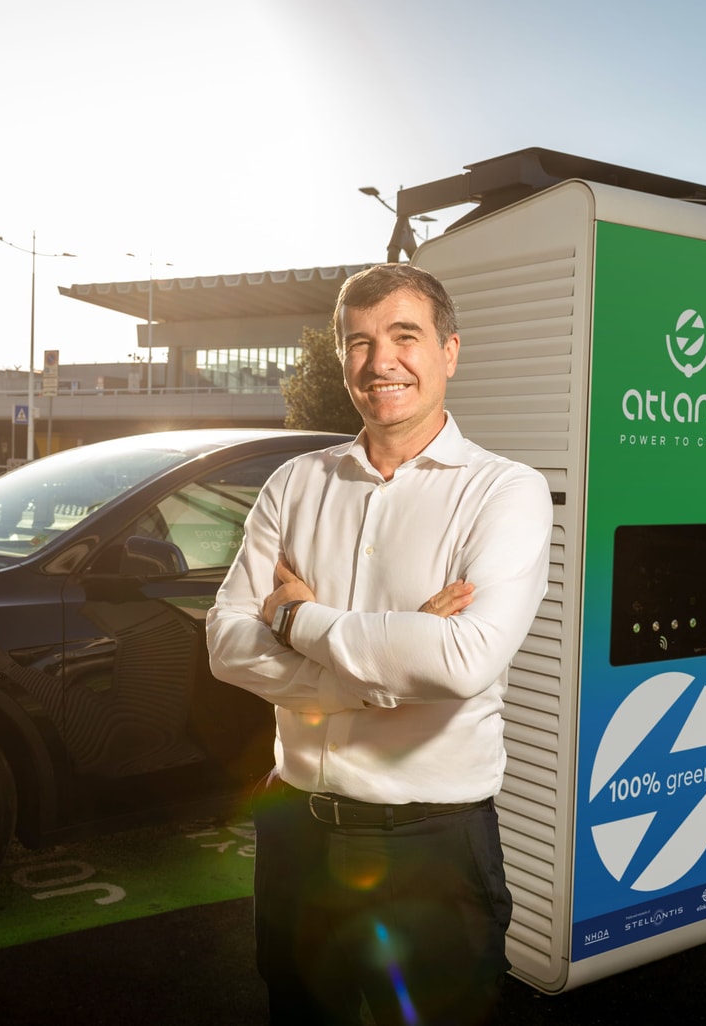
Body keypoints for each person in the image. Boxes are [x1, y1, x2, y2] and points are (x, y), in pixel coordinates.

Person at [206, 263, 553, 1024]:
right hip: (298, 833)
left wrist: (299, 622)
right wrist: (379, 669)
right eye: (359, 342)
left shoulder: (504, 491)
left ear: (449, 350)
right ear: (342, 359)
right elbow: (226, 642)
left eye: (404, 336)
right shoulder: (294, 484)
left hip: (432, 848)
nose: (380, 362)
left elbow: (461, 660)